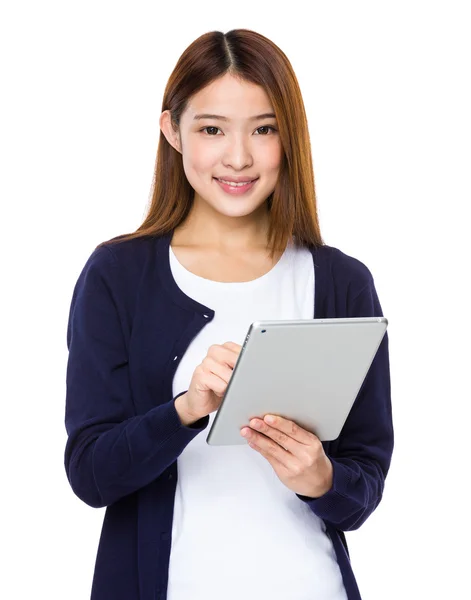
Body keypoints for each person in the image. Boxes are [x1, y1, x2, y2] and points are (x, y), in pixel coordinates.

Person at [64, 28, 394, 600]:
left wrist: (321, 478)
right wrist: (186, 410)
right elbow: (92, 475)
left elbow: (363, 483)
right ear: (172, 130)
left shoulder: (342, 283)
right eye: (211, 129)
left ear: (289, 137)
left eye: (264, 129)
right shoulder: (118, 276)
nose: (238, 157)